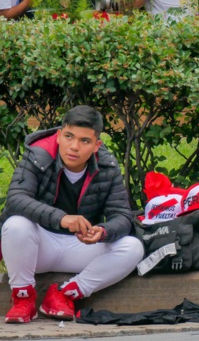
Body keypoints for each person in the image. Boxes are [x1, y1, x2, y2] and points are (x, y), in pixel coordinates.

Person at [1, 105, 144, 324]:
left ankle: (65, 294)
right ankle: (23, 298)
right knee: (16, 225)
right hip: (38, 247)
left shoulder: (107, 166)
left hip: (80, 247)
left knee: (133, 248)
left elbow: (122, 216)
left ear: (96, 145)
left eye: (84, 141)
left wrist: (104, 231)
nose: (74, 147)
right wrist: (62, 218)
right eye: (69, 137)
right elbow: (16, 199)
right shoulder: (38, 156)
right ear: (58, 136)